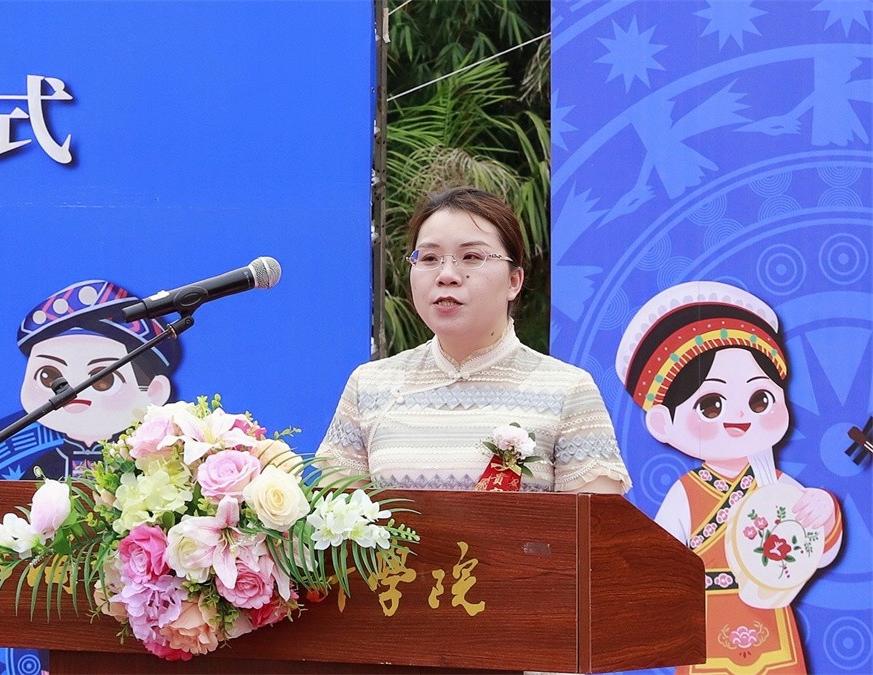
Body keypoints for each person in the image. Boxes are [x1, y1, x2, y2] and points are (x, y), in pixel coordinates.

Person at [315, 187, 630, 494]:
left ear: (514, 281)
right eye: (429, 258)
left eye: (471, 256)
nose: (446, 275)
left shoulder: (567, 391)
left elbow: (594, 525)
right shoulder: (369, 386)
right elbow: (333, 519)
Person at [616, 281, 842, 675]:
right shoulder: (686, 493)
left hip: (773, 624)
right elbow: (659, 561)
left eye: (759, 399)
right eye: (711, 405)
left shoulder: (776, 484)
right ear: (663, 423)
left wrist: (823, 513)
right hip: (707, 623)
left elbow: (818, 553)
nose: (739, 416)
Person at [0, 279, 181, 480]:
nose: (71, 388)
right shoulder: (44, 467)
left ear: (154, 392)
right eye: (49, 376)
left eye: (104, 379)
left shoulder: (148, 467)